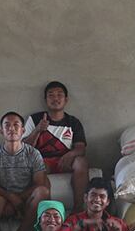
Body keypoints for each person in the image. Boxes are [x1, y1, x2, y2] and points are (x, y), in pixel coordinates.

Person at [23, 81, 89, 212]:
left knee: (81, 162)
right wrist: (37, 130)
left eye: (59, 95)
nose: (55, 98)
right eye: (51, 95)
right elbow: (24, 148)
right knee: (38, 165)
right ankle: (47, 211)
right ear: (45, 100)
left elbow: (81, 148)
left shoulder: (73, 122)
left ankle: (78, 209)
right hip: (42, 161)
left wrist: (70, 155)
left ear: (66, 99)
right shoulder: (35, 119)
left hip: (65, 161)